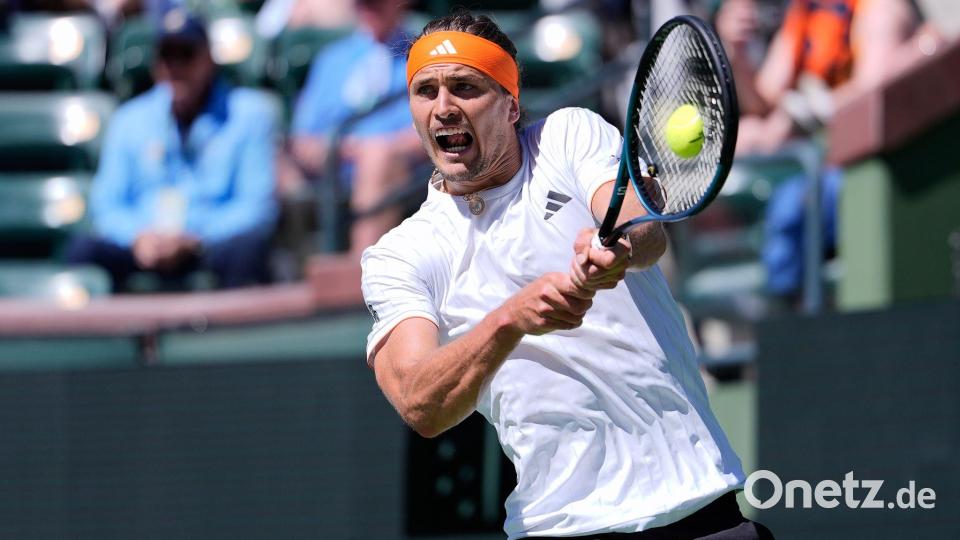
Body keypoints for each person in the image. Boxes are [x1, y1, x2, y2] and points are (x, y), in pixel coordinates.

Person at [361, 12, 773, 540]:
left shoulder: (568, 134)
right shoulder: (399, 255)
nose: (443, 107)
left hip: (698, 506)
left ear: (511, 104)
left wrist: (617, 247)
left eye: (465, 87)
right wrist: (510, 320)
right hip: (562, 527)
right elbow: (420, 403)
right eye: (426, 91)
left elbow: (643, 230)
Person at [715, 0, 923, 299]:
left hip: (871, 173)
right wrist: (736, 53)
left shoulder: (881, 9)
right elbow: (763, 104)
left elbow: (870, 103)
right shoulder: (806, 11)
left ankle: (790, 316)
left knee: (790, 210)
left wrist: (800, 116)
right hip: (819, 164)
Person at [67, 7, 279, 290]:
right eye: (167, 56)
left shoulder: (248, 115)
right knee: (83, 250)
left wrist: (195, 236)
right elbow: (106, 203)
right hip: (145, 244)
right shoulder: (129, 119)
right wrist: (139, 237)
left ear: (208, 59)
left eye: (186, 54)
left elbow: (257, 206)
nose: (176, 68)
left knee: (248, 249)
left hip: (208, 245)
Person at [282, 0, 425, 258]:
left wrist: (375, 149)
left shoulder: (422, 54)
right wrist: (338, 149)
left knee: (377, 156)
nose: (369, 10)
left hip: (401, 166)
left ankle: (361, 267)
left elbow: (430, 127)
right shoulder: (333, 59)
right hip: (334, 163)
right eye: (363, 4)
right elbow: (303, 137)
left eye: (377, 4)